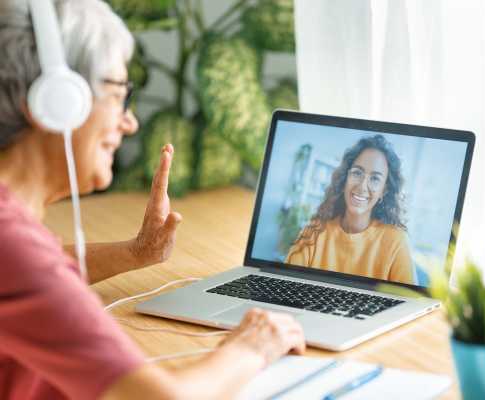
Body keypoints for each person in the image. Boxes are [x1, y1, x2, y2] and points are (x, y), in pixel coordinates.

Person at [0, 1, 305, 399]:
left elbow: (35, 275)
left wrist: (133, 253)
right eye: (117, 96)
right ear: (57, 101)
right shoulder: (13, 247)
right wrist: (253, 345)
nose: (130, 122)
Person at [285, 135, 415, 285]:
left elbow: (407, 299)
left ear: (384, 191)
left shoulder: (396, 241)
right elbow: (289, 283)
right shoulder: (315, 230)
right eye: (357, 173)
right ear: (345, 177)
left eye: (375, 179)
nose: (361, 187)